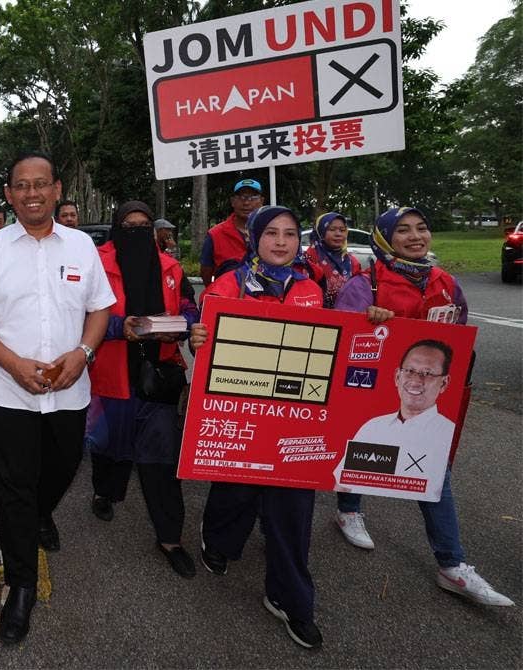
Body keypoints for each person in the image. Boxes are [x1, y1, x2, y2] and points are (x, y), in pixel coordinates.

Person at [0, 151, 114, 644]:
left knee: (62, 471)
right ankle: (19, 584)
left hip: (69, 391)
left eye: (40, 184)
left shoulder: (82, 246)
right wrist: (13, 364)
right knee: (14, 487)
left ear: (57, 188)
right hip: (6, 392)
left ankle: (38, 515)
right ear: (9, 194)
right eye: (21, 186)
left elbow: (99, 309)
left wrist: (83, 352)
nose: (32, 193)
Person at [331, 206, 513, 607]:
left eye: (422, 228)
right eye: (403, 231)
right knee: (362, 452)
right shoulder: (367, 283)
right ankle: (348, 508)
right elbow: (343, 339)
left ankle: (451, 564)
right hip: (369, 392)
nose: (415, 236)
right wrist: (370, 319)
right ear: (383, 239)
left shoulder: (445, 281)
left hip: (425, 394)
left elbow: (461, 337)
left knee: (434, 470)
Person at [189, 205, 325, 649]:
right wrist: (198, 336)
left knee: (292, 510)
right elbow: (203, 331)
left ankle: (291, 600)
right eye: (271, 233)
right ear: (255, 238)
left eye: (289, 234)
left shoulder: (310, 289)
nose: (281, 242)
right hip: (239, 413)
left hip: (295, 420)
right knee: (235, 491)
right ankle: (219, 541)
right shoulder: (229, 283)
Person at [86, 200, 199, 579]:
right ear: (117, 229)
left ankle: (170, 538)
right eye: (128, 225)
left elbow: (190, 305)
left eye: (144, 224)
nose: (136, 230)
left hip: (160, 375)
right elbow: (80, 313)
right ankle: (105, 492)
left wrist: (187, 325)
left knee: (161, 458)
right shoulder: (95, 263)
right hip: (110, 372)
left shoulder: (170, 267)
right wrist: (120, 327)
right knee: (108, 446)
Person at [335, 340, 456, 500]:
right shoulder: (374, 427)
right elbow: (344, 483)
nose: (416, 380)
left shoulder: (445, 432)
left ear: (444, 383)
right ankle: (348, 512)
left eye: (427, 373)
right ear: (397, 376)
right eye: (410, 370)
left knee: (438, 497)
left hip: (430, 489)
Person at [199, 178, 264, 286]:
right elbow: (206, 272)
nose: (247, 202)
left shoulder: (272, 232)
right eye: (241, 197)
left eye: (253, 197)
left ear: (261, 201)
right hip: (228, 297)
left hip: (265, 299)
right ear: (233, 201)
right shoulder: (215, 234)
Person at [303, 211, 361, 308]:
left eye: (342, 230)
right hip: (316, 316)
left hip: (348, 317)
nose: (338, 234)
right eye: (332, 229)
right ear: (321, 231)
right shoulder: (309, 259)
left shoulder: (352, 262)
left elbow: (359, 295)